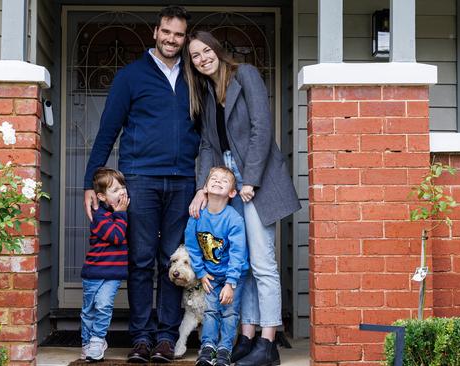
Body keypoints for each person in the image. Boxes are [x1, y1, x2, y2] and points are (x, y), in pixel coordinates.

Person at [82, 6, 200, 363]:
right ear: (155, 31)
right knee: (141, 259)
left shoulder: (194, 76)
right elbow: (108, 131)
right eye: (167, 32)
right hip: (141, 179)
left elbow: (208, 130)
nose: (172, 39)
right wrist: (92, 182)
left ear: (185, 37)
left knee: (171, 259)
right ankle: (141, 338)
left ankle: (166, 337)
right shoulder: (131, 76)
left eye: (179, 35)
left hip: (182, 180)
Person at [184, 31, 301, 366]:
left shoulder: (245, 74)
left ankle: (268, 341)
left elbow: (261, 128)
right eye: (195, 55)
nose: (203, 58)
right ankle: (247, 338)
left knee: (263, 263)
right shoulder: (206, 94)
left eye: (207, 50)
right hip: (224, 180)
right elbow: (208, 146)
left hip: (254, 174)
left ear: (218, 50)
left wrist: (249, 179)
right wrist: (202, 188)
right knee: (242, 263)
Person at [184, 167, 248, 366]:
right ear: (205, 187)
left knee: (229, 313)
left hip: (233, 276)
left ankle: (224, 350)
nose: (218, 181)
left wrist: (231, 283)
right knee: (210, 312)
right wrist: (201, 273)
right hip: (210, 275)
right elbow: (192, 247)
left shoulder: (234, 219)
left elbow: (238, 254)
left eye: (224, 180)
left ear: (232, 193)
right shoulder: (197, 216)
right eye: (213, 178)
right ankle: (208, 348)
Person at [80, 167, 130, 362]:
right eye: (115, 190)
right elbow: (116, 236)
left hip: (113, 273)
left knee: (103, 305)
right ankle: (86, 342)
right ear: (101, 196)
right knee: (88, 310)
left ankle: (97, 339)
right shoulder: (99, 217)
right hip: (93, 273)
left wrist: (121, 213)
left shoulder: (122, 213)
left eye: (123, 187)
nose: (122, 192)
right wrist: (121, 214)